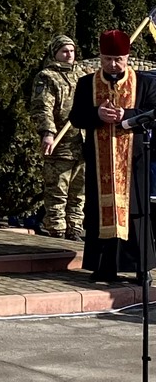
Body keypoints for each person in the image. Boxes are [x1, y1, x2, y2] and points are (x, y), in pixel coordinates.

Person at [69, 28, 156, 283]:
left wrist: (125, 116)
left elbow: (153, 113)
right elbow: (76, 117)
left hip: (134, 161)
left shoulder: (146, 82)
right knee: (101, 212)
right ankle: (104, 268)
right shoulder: (87, 83)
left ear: (128, 57)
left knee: (136, 214)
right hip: (100, 163)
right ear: (100, 57)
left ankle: (142, 269)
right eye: (108, 59)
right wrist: (97, 114)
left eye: (118, 59)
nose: (113, 64)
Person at [30, 35, 86, 240]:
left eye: (71, 50)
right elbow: (42, 107)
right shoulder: (47, 77)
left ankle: (75, 228)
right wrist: (48, 133)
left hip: (82, 142)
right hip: (60, 143)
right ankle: (56, 228)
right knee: (58, 189)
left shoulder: (82, 74)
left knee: (79, 192)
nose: (69, 54)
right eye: (64, 51)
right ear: (55, 53)